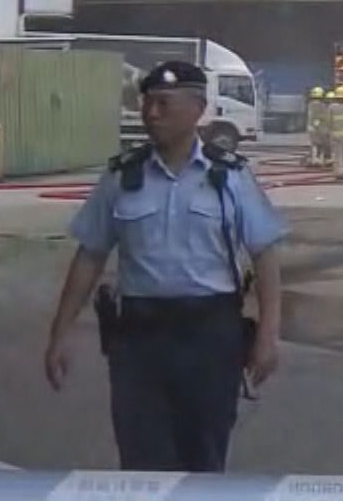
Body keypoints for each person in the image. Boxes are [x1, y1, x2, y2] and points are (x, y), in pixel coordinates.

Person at [43, 60, 288, 472]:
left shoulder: (230, 177)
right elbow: (90, 256)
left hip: (210, 338)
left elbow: (265, 255)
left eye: (163, 103)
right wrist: (59, 334)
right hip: (140, 342)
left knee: (204, 462)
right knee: (141, 465)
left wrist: (268, 336)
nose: (151, 113)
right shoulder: (122, 177)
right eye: (147, 103)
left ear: (196, 108)